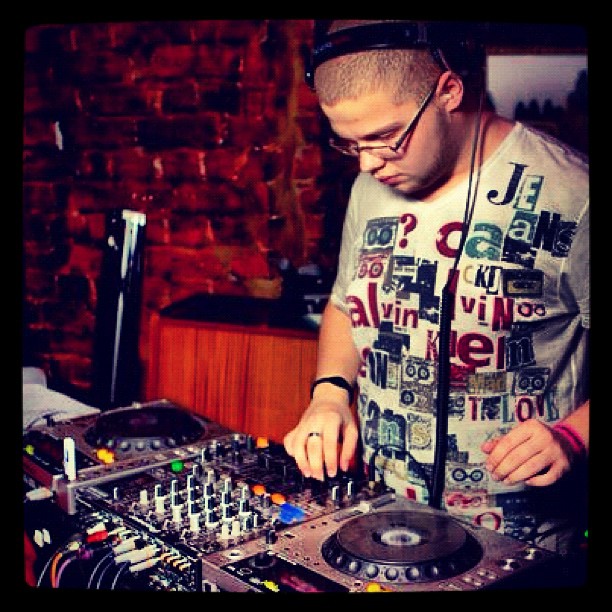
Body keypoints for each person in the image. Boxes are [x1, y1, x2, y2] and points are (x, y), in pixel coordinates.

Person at [283, 19, 589, 563]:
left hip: (522, 543)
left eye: (386, 137)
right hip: (380, 521)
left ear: (449, 90)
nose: (368, 162)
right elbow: (345, 303)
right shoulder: (369, 185)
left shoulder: (574, 195)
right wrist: (329, 394)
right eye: (350, 143)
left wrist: (575, 436)